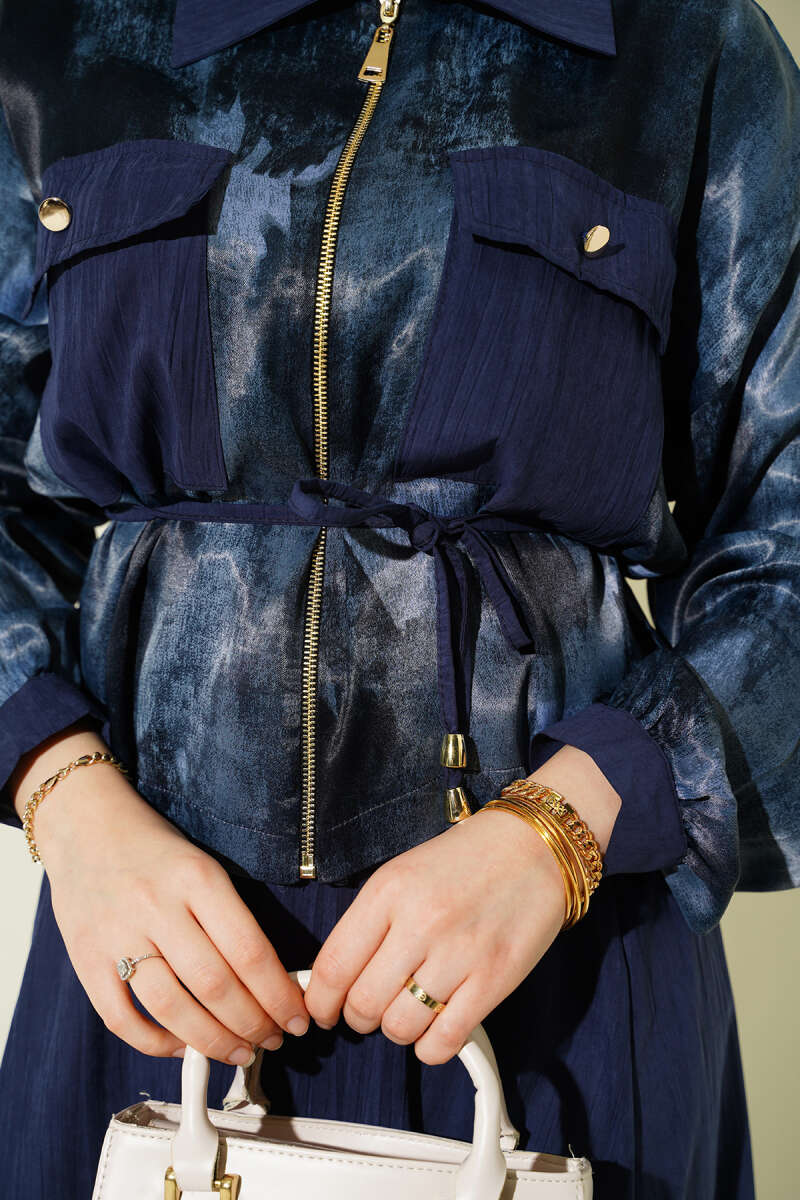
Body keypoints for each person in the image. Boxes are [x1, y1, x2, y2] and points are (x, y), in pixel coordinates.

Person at [0, 0, 797, 1194]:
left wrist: (564, 825)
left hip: (561, 969)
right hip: (149, 962)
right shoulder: (64, 33)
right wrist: (67, 801)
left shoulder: (685, 45)